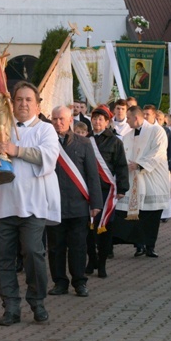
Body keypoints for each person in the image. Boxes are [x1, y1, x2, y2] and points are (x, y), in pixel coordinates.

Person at [0, 81, 60, 326]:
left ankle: (37, 301)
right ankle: (10, 306)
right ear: (11, 102)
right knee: (3, 258)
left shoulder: (45, 129)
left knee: (34, 252)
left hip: (32, 204)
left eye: (28, 100)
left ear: (37, 103)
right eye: (19, 99)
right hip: (1, 203)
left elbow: (49, 157)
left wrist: (16, 150)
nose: (23, 103)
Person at [47, 106, 102, 297]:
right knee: (55, 247)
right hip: (54, 205)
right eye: (54, 119)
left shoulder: (84, 143)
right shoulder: (46, 142)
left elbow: (92, 175)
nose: (58, 123)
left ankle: (79, 282)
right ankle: (59, 282)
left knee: (78, 246)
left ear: (70, 120)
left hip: (78, 205)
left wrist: (96, 203)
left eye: (61, 119)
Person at [116, 106, 168, 258]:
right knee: (134, 215)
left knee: (151, 215)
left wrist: (139, 165)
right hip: (134, 180)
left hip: (152, 179)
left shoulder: (156, 131)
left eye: (129, 118)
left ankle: (150, 246)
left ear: (137, 118)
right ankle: (139, 246)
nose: (127, 121)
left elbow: (158, 152)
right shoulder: (127, 135)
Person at [88, 105, 129, 277]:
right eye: (95, 118)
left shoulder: (115, 141)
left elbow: (121, 166)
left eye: (100, 119)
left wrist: (122, 187)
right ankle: (91, 260)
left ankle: (102, 262)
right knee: (88, 229)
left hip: (106, 190)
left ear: (107, 122)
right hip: (88, 191)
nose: (97, 122)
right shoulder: (84, 139)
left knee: (105, 227)